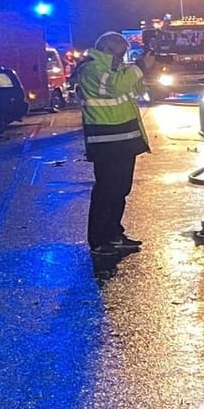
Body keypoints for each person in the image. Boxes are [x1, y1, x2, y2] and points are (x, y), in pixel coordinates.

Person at [78, 30, 150, 256]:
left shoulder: (116, 71)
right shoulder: (91, 69)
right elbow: (116, 88)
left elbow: (136, 89)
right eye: (120, 53)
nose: (122, 58)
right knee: (106, 191)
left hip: (124, 139)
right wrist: (139, 67)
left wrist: (137, 72)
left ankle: (114, 234)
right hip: (106, 141)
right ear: (107, 50)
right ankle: (99, 240)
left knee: (120, 190)